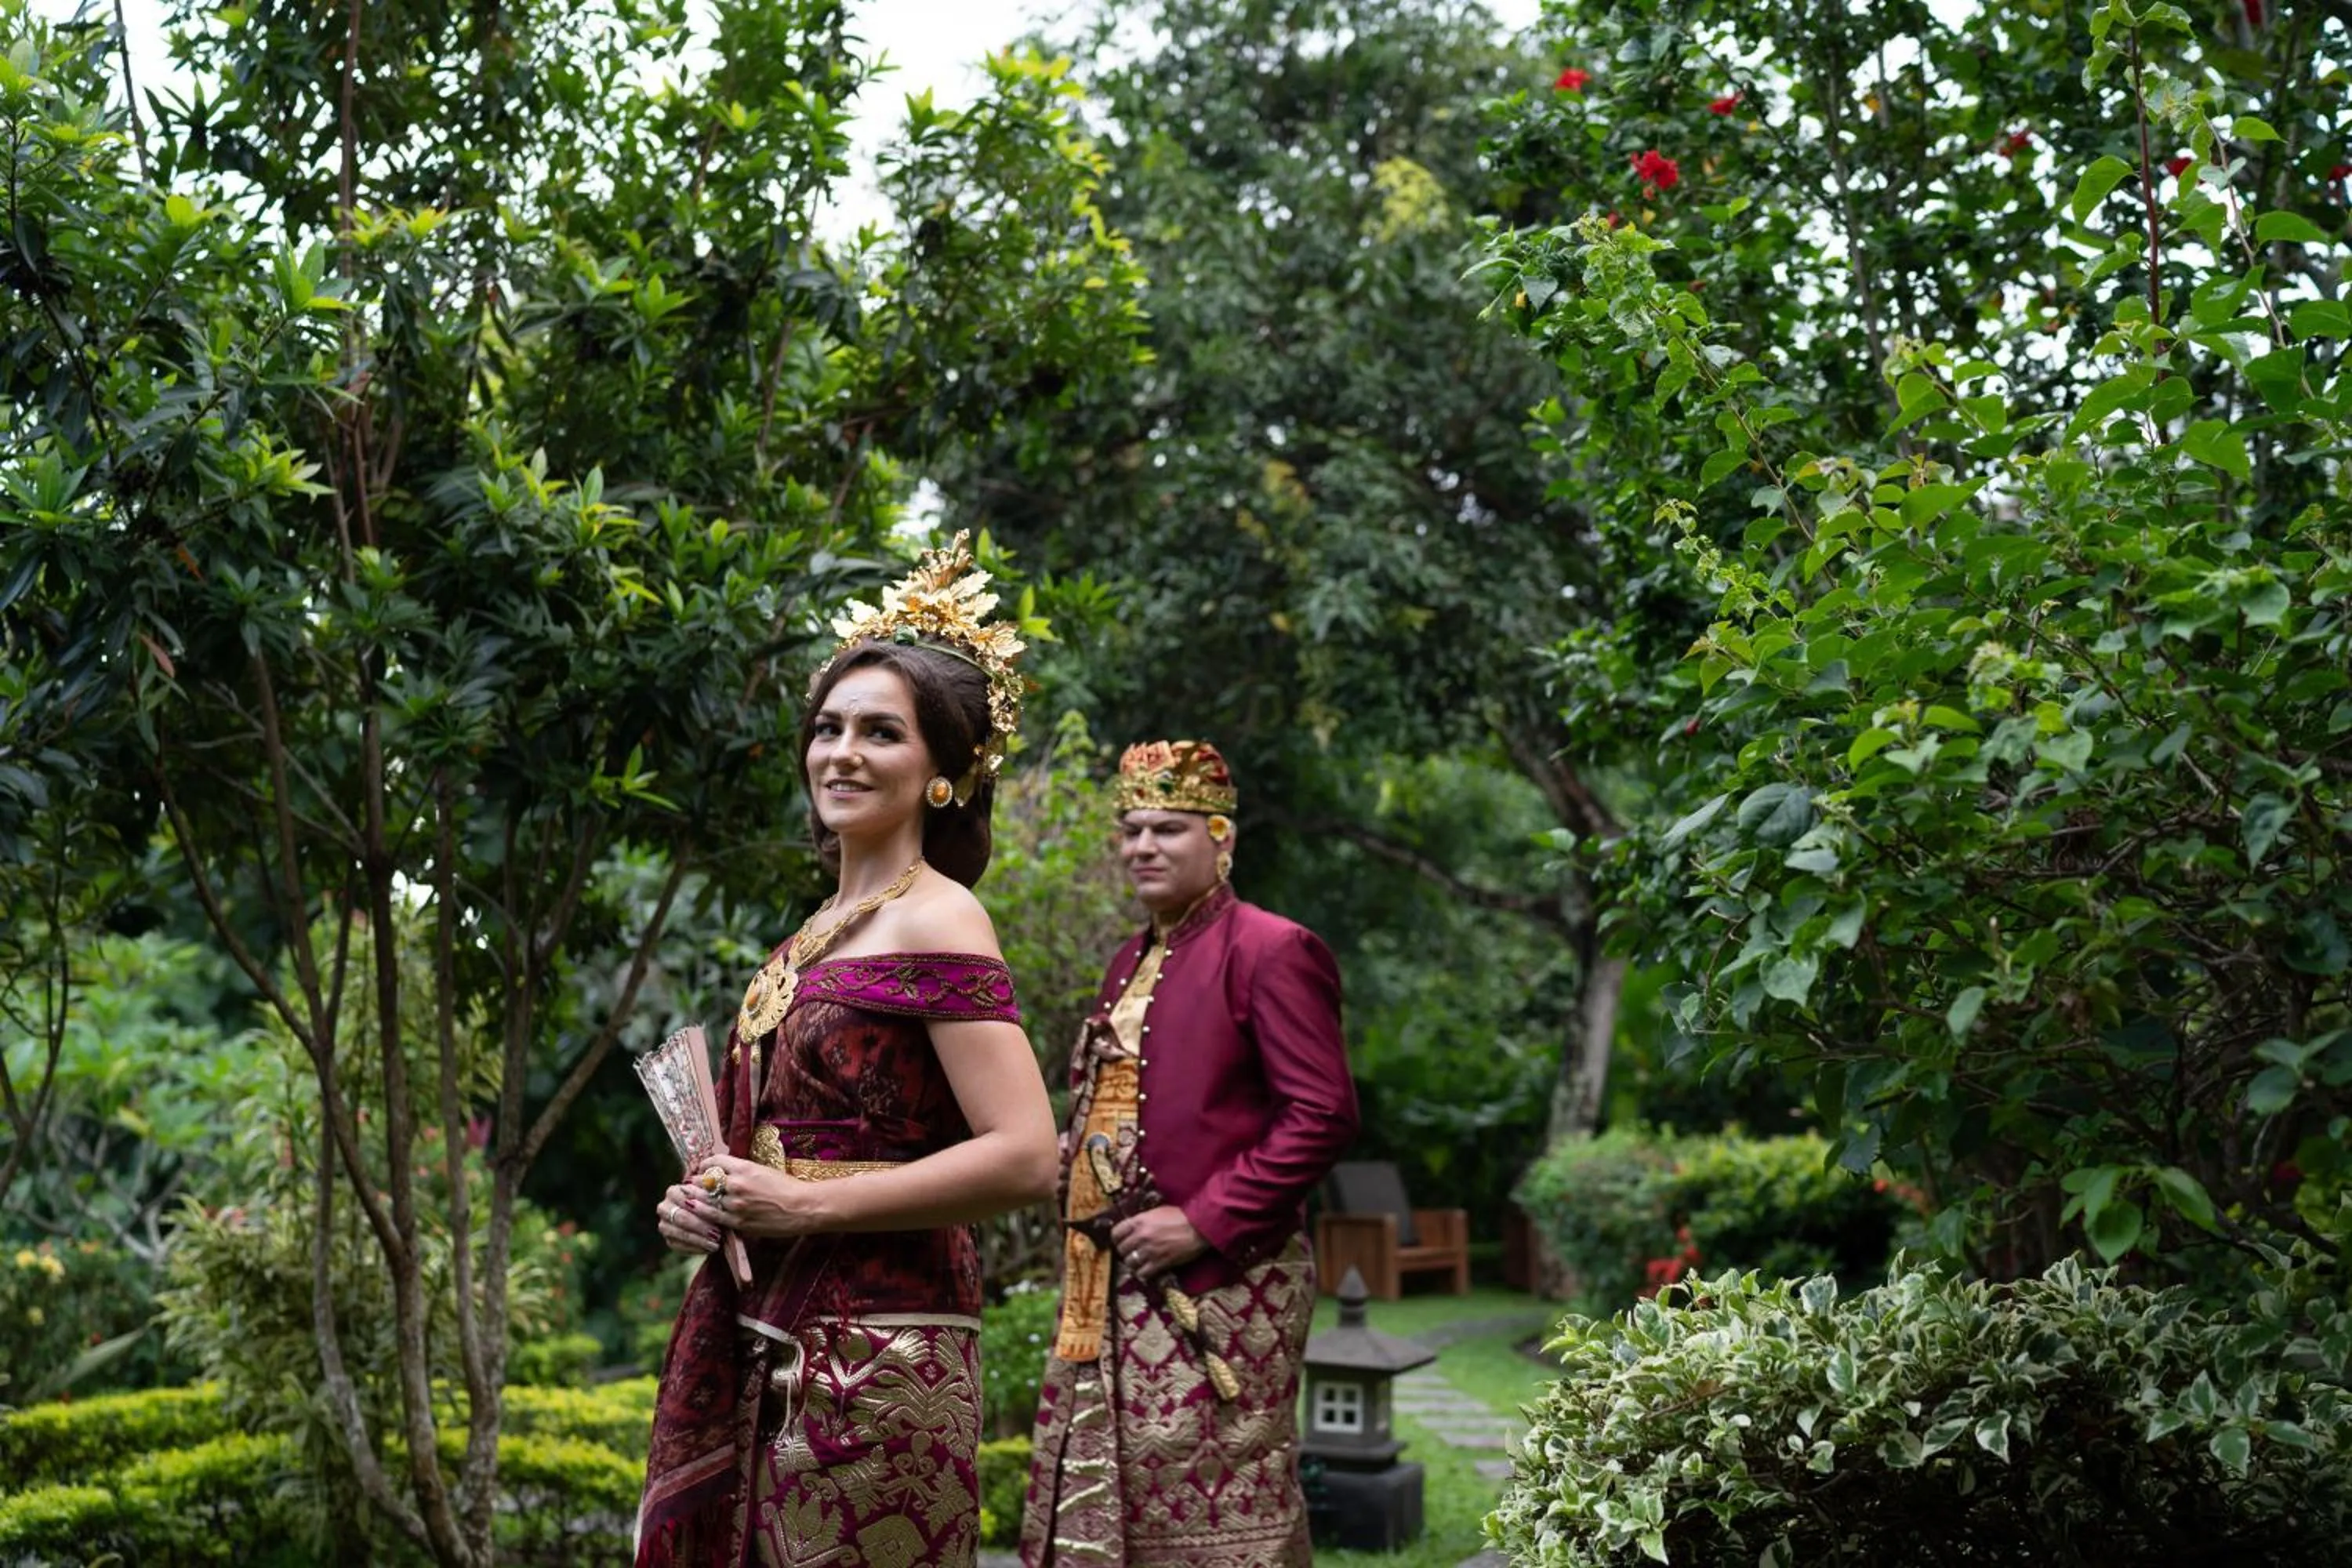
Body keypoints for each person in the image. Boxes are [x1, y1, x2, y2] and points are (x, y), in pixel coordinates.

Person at [636, 534, 1059, 1568]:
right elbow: (763, 1145)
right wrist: (710, 1199)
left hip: (881, 1351)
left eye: (881, 732)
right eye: (828, 728)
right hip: (764, 1327)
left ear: (942, 775)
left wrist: (807, 1205)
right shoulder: (810, 933)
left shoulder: (942, 918)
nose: (841, 753)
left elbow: (1026, 1155)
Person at [1020, 739, 1360, 1568]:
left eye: (1167, 828)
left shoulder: (1272, 948)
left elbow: (1322, 1113)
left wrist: (1204, 1219)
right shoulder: (1127, 959)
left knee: (1209, 1478)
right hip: (1107, 1279)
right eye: (1131, 829)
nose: (1142, 846)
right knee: (1114, 1482)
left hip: (1223, 1278)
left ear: (1221, 837)